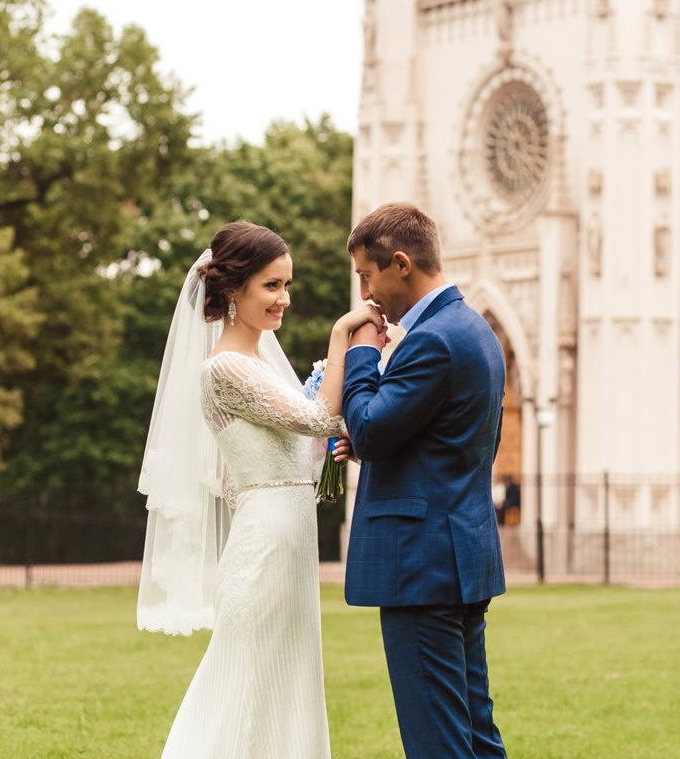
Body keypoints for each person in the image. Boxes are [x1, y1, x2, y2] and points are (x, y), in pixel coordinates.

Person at [135, 221, 379, 758]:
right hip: (265, 549)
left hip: (287, 542)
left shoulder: (264, 367)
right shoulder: (224, 369)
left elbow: (286, 457)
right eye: (272, 286)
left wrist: (329, 452)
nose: (284, 299)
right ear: (232, 289)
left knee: (282, 682)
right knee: (241, 684)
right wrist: (342, 338)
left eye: (286, 285)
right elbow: (319, 418)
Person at [337, 203, 508, 759]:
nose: (366, 292)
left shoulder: (432, 340)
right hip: (460, 555)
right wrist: (373, 442)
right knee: (475, 736)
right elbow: (443, 444)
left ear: (402, 264)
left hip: (422, 565)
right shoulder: (474, 329)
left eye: (367, 274)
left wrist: (363, 348)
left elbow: (366, 425)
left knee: (436, 742)